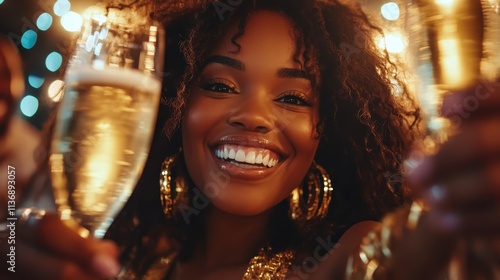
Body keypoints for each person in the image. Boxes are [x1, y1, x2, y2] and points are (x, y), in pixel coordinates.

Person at [0, 0, 499, 279]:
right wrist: (9, 257)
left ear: (328, 129)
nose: (255, 117)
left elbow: (416, 255)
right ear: (170, 105)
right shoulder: (131, 254)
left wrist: (457, 210)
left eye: (294, 98)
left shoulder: (344, 255)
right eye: (219, 86)